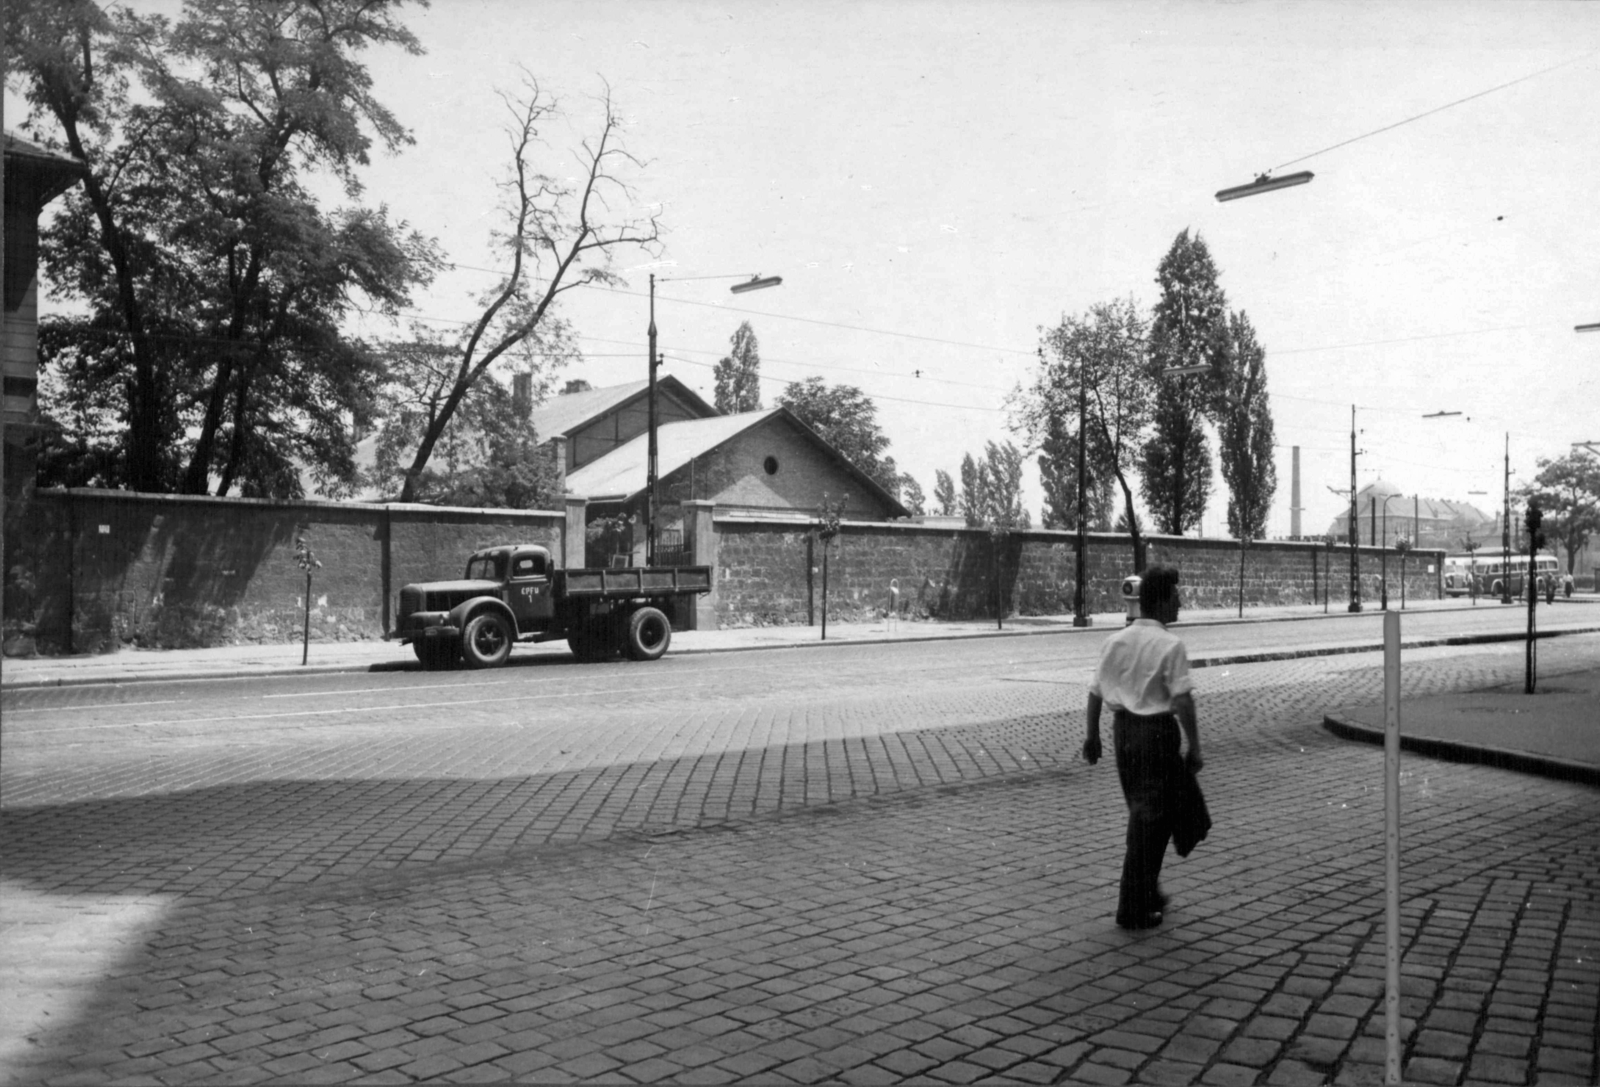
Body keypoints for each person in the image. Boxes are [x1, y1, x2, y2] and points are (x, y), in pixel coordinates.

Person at [1082, 565, 1203, 930]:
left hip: (1124, 737)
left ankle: (1148, 891)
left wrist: (1093, 737)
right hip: (1156, 736)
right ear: (1163, 601)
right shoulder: (1170, 644)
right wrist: (1195, 746)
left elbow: (1095, 692)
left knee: (1150, 815)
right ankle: (1131, 907)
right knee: (1151, 822)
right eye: (1177, 597)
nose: (1180, 603)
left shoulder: (1115, 641)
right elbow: (1182, 701)